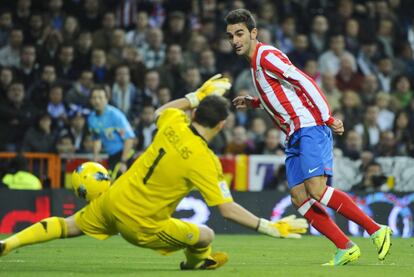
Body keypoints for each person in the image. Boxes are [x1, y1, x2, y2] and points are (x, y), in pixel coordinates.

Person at [0, 78, 308, 270]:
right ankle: (195, 263)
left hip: (113, 198)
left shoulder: (174, 122)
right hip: (140, 224)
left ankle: (9, 243)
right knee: (206, 235)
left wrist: (196, 95)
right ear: (221, 126)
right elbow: (226, 210)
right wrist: (270, 227)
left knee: (68, 225)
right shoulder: (205, 160)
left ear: (195, 114)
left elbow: (162, 110)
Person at [225, 9, 392, 266]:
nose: (235, 40)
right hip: (293, 133)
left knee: (316, 189)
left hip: (309, 126)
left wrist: (327, 117)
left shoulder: (266, 55)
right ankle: (345, 246)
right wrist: (255, 102)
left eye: (240, 34)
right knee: (299, 197)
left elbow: (304, 81)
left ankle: (376, 229)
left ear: (253, 33)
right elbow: (281, 94)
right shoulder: (255, 64)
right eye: (231, 36)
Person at [88, 85, 135, 178]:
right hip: (112, 156)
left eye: (100, 98)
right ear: (90, 100)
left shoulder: (116, 115)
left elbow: (129, 138)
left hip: (125, 154)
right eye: (94, 98)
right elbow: (97, 138)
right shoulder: (91, 118)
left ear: (106, 99)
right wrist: (95, 156)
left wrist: (123, 161)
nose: (97, 101)